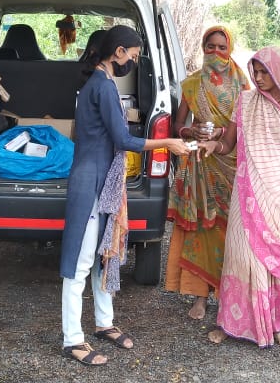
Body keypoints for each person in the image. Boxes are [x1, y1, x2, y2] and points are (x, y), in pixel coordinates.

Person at [60, 25, 190, 366]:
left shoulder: (103, 84)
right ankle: (72, 338)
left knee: (107, 254)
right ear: (118, 52)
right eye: (132, 56)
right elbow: (123, 140)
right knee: (81, 263)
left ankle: (104, 323)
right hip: (92, 182)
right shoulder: (101, 87)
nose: (132, 62)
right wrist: (168, 142)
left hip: (105, 180)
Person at [200, 46, 280, 348]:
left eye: (264, 71)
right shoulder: (246, 102)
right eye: (255, 71)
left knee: (278, 267)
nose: (258, 77)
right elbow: (228, 144)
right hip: (249, 195)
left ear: (279, 72)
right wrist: (213, 146)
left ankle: (278, 323)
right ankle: (232, 324)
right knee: (240, 259)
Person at [165, 26, 250, 320]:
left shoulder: (243, 86)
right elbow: (178, 126)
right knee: (203, 230)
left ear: (230, 50)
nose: (215, 53)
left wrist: (221, 138)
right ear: (203, 48)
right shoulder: (191, 85)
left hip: (231, 166)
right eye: (210, 47)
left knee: (233, 233)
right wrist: (192, 130)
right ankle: (200, 297)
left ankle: (229, 297)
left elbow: (246, 131)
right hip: (200, 166)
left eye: (221, 48)